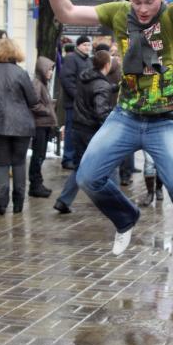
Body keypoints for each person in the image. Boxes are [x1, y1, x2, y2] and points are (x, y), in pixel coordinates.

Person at [43, 0, 173, 291]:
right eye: (137, 0)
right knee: (88, 176)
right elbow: (65, 13)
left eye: (150, 1)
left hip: (167, 119)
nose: (143, 8)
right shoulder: (118, 13)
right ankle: (126, 217)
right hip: (126, 116)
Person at [0, 39, 38, 215]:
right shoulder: (21, 73)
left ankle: (1, 203)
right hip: (22, 125)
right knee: (19, 162)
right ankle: (18, 203)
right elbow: (33, 100)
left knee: (1, 163)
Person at [54, 49, 118, 213]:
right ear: (107, 64)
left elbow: (96, 90)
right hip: (93, 131)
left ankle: (63, 200)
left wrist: (115, 87)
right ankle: (116, 202)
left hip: (78, 128)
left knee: (80, 166)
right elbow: (101, 110)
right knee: (110, 164)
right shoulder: (101, 85)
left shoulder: (85, 78)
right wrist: (111, 127)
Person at [60, 35, 92, 169]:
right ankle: (68, 158)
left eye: (89, 45)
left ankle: (78, 158)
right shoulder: (71, 58)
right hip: (73, 103)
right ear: (78, 46)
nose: (87, 47)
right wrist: (78, 97)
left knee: (80, 131)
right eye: (84, 45)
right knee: (70, 131)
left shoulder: (88, 61)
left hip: (84, 104)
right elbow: (67, 80)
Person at [28, 56, 58, 197]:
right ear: (42, 70)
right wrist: (47, 109)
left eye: (51, 70)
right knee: (38, 155)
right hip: (40, 125)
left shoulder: (43, 84)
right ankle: (35, 185)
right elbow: (33, 103)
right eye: (49, 70)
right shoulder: (37, 83)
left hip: (44, 124)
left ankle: (37, 183)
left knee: (41, 155)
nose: (51, 73)